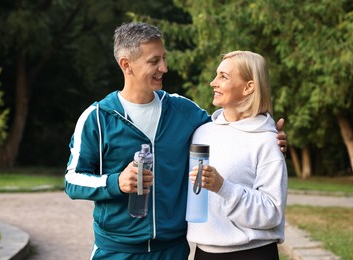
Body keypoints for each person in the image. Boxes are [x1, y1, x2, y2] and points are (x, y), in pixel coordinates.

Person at [65, 22, 287, 260]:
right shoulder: (97, 118)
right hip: (117, 251)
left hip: (173, 251)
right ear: (126, 65)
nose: (164, 67)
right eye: (154, 61)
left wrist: (269, 134)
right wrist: (115, 182)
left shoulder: (183, 111)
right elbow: (72, 180)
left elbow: (232, 126)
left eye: (164, 58)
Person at [187, 51, 288, 260]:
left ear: (249, 87)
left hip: (253, 253)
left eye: (223, 77)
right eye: (216, 75)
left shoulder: (268, 141)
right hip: (204, 253)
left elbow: (273, 211)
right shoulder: (202, 132)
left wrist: (223, 187)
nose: (213, 82)